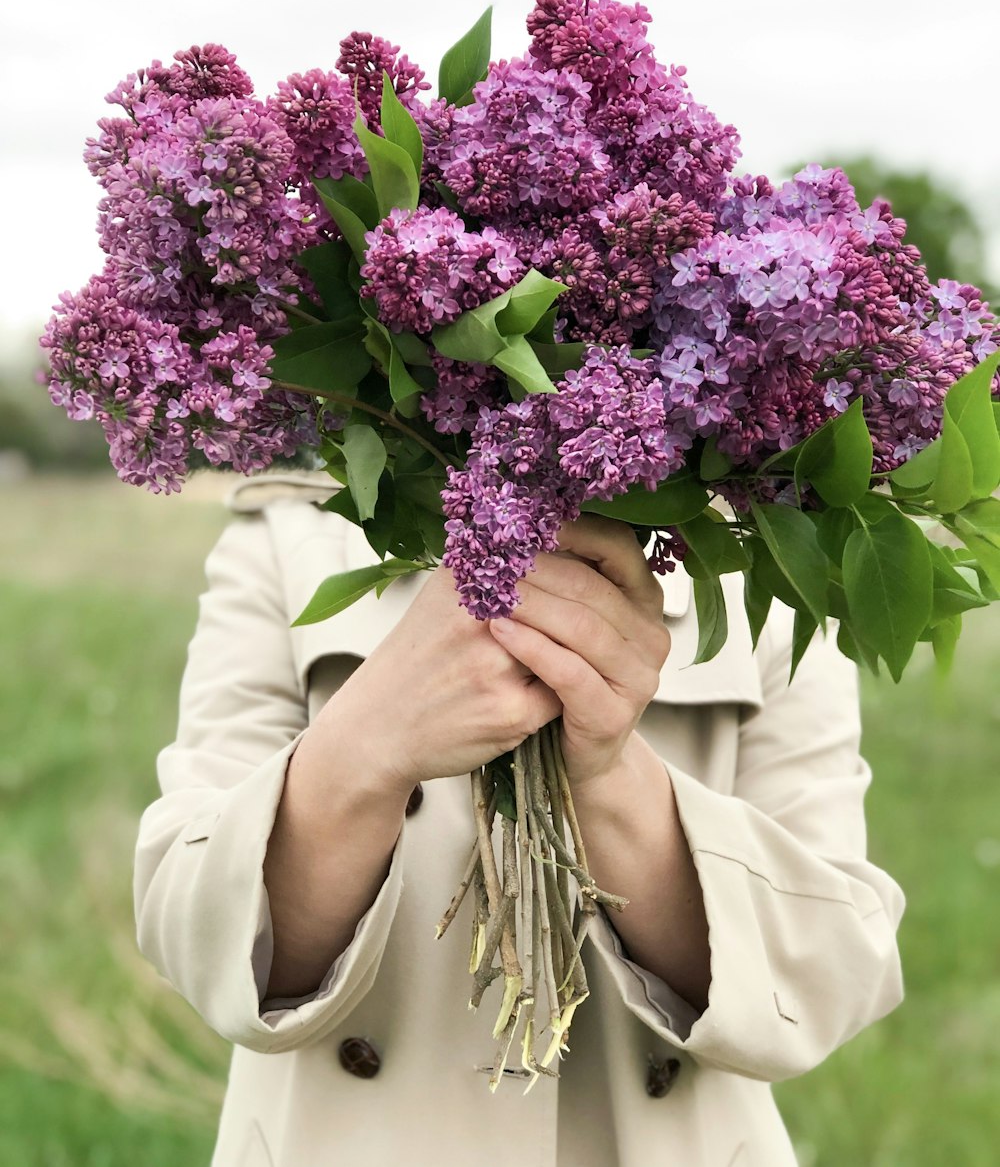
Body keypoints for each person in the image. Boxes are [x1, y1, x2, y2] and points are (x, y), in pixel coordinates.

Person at [133, 471, 905, 1167]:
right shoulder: (293, 530)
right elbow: (198, 934)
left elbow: (825, 973)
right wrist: (370, 737)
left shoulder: (762, 545)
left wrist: (607, 772)